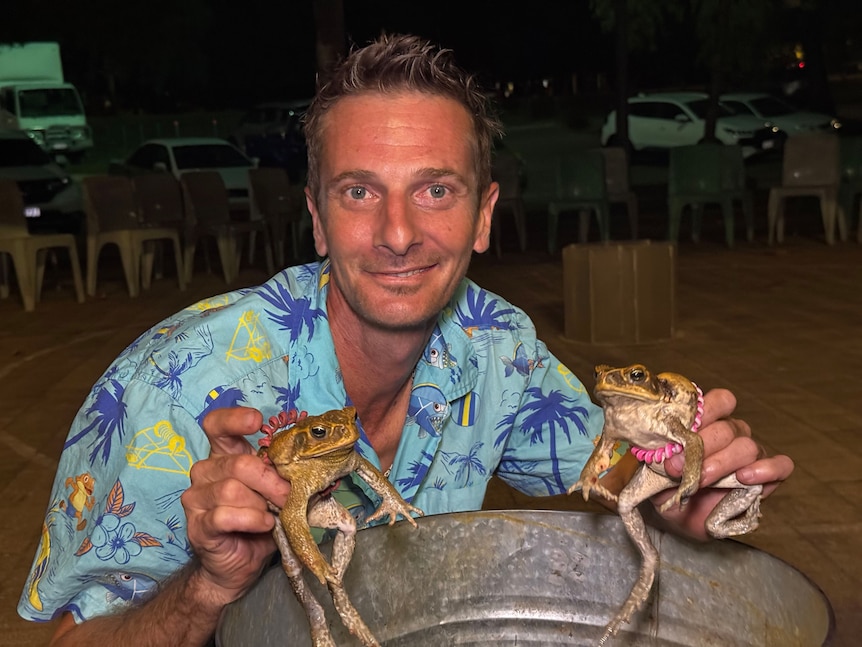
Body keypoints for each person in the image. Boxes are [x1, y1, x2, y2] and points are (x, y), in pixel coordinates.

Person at [20, 33, 794, 646]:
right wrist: (209, 586)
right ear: (317, 218)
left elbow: (612, 465)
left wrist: (679, 485)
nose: (398, 233)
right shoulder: (177, 389)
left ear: (483, 216)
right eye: (360, 191)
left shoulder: (497, 346)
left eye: (436, 189)